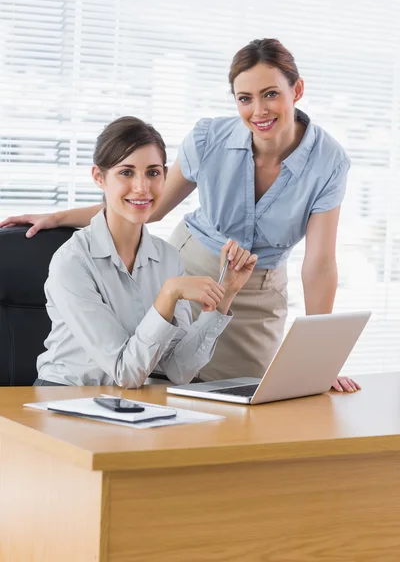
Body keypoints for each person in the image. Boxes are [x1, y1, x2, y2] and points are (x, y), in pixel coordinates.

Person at [2, 39, 359, 393]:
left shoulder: (328, 161)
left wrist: (322, 358)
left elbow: (319, 264)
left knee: (243, 403)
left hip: (253, 284)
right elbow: (148, 204)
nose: (259, 110)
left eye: (270, 94)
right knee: (161, 388)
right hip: (191, 266)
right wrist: (60, 217)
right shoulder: (209, 139)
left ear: (296, 90)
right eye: (245, 98)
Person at [30, 116, 257, 387]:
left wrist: (226, 293)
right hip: (66, 397)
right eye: (126, 172)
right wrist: (168, 294)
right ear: (99, 178)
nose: (142, 187)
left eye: (153, 172)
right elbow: (125, 371)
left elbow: (178, 370)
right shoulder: (72, 262)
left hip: (129, 404)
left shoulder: (168, 258)